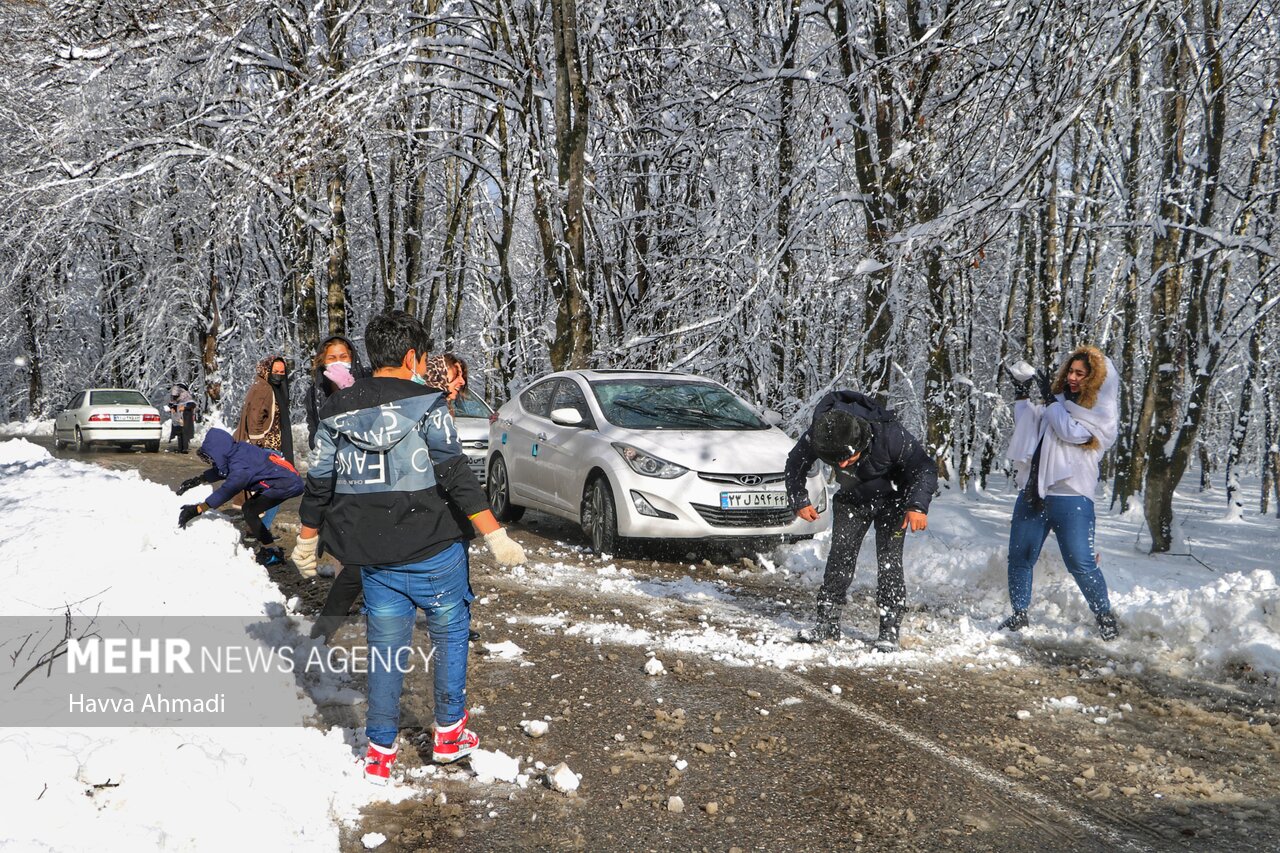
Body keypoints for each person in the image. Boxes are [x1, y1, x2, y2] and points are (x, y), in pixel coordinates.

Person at [290, 310, 528, 784]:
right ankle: (448, 734)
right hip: (434, 547)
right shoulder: (428, 402)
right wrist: (494, 532)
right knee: (449, 633)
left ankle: (379, 750)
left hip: (372, 555)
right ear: (414, 356)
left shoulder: (337, 408)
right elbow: (454, 472)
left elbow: (319, 480)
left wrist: (307, 537)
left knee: (385, 648)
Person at [784, 391, 938, 651]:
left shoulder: (890, 434)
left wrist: (917, 506)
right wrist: (799, 500)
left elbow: (924, 468)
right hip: (852, 498)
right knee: (840, 556)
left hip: (894, 499)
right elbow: (795, 462)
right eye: (837, 460)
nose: (842, 463)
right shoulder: (820, 434)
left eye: (848, 458)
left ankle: (889, 630)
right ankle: (827, 624)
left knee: (889, 562)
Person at [1001, 345, 1120, 640]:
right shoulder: (1059, 401)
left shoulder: (1098, 413)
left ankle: (1105, 616)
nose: (1073, 377)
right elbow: (1030, 426)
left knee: (1079, 561)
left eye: (1081, 373)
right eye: (1071, 370)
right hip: (1036, 490)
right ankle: (1019, 613)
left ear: (1095, 378)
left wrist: (1051, 401)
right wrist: (1022, 394)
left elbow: (1069, 431)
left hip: (1072, 495)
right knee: (1019, 555)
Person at [176, 428, 304, 565]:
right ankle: (271, 549)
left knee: (250, 510)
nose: (212, 461)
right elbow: (223, 470)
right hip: (284, 477)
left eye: (212, 457)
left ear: (219, 452)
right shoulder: (237, 451)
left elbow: (226, 491)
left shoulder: (240, 468)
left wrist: (198, 509)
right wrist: (197, 480)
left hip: (285, 484)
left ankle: (272, 552)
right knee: (249, 509)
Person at [235, 355, 293, 530]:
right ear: (266, 370)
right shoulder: (264, 388)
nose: (279, 375)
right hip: (268, 449)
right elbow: (255, 418)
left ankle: (256, 527)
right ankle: (260, 530)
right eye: (275, 371)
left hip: (272, 448)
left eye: (282, 372)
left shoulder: (270, 387)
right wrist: (258, 443)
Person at [305, 336, 365, 451]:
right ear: (323, 361)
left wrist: (348, 388)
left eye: (343, 357)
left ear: (351, 358)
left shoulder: (365, 382)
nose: (338, 362)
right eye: (332, 358)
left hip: (360, 456)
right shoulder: (314, 392)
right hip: (330, 455)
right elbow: (313, 428)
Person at [167, 384, 197, 454]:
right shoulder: (174, 397)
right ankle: (180, 448)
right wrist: (171, 408)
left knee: (185, 432)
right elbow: (172, 404)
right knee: (179, 432)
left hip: (185, 417)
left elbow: (192, 404)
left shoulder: (186, 396)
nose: (175, 397)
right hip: (177, 417)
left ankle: (185, 448)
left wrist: (185, 408)